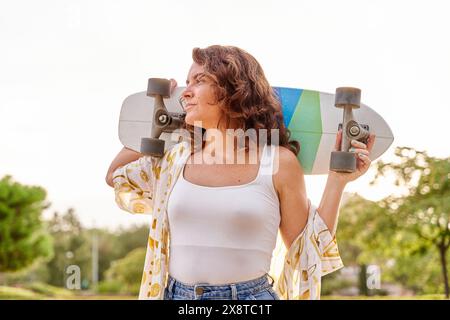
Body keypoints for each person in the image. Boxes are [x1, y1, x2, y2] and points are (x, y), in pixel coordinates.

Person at [105, 45, 375, 300]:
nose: (187, 91)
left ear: (233, 89)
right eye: (187, 84)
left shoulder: (278, 162)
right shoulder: (177, 158)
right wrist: (156, 114)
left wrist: (338, 180)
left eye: (199, 80)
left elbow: (307, 252)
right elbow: (116, 175)